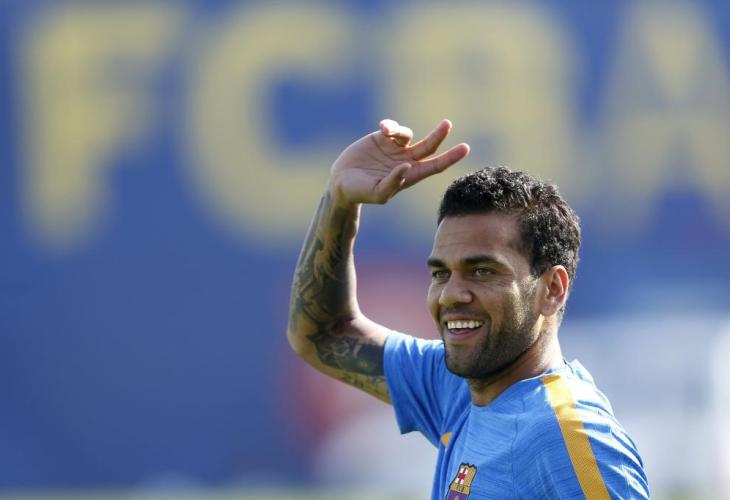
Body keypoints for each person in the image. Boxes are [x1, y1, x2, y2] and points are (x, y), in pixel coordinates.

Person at [287, 118, 649, 499]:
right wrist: (339, 201)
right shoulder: (456, 387)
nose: (451, 295)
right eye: (441, 273)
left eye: (482, 271)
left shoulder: (565, 435)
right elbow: (323, 334)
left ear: (552, 289)